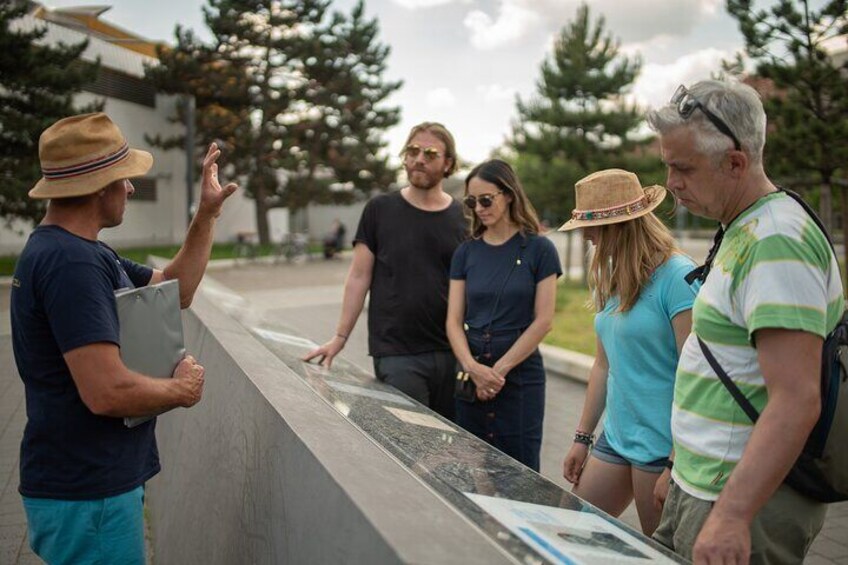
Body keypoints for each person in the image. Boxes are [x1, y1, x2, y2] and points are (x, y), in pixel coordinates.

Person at [10, 112, 237, 564]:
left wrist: (207, 213)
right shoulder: (70, 264)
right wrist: (181, 390)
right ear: (99, 185)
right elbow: (106, 391)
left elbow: (176, 289)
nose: (131, 188)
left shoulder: (82, 251)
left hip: (89, 487)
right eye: (125, 178)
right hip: (88, 494)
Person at [646, 80, 844, 564]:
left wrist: (733, 515)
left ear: (735, 162)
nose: (671, 182)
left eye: (683, 168)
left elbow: (796, 399)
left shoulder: (776, 239)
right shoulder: (744, 225)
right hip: (706, 482)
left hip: (741, 499)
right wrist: (679, 464)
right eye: (668, 165)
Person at [558, 169, 695, 536]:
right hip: (616, 440)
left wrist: (676, 462)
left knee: (660, 553)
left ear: (619, 226)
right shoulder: (618, 277)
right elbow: (604, 366)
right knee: (570, 531)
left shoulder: (679, 279)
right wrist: (582, 438)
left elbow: (695, 376)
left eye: (591, 226)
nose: (585, 236)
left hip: (663, 448)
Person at [304, 123, 467, 420]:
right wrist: (340, 337)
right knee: (409, 442)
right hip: (397, 353)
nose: (419, 159)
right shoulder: (380, 209)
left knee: (450, 449)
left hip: (453, 353)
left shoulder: (462, 217)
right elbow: (358, 277)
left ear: (448, 164)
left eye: (430, 153)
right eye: (412, 151)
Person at [445, 159, 561, 471]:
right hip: (472, 379)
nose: (479, 208)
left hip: (520, 379)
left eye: (486, 199)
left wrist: (498, 372)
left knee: (520, 472)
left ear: (508, 195)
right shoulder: (465, 253)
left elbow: (544, 320)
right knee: (471, 470)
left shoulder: (540, 250)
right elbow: (453, 321)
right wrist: (472, 368)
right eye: (471, 201)